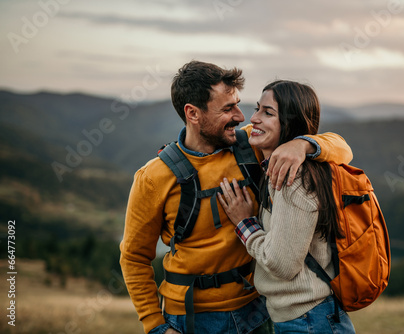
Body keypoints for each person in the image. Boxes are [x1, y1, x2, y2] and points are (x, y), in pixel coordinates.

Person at [120, 61, 353, 334]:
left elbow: (342, 148)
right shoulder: (153, 178)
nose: (241, 117)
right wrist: (155, 327)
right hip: (191, 318)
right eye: (227, 108)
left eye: (239, 104)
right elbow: (134, 257)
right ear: (193, 113)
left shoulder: (249, 145)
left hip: (256, 310)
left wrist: (303, 144)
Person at [217, 80, 356, 333]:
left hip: (309, 321)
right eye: (258, 109)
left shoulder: (293, 179)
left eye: (268, 113)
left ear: (291, 123)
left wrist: (243, 223)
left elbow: (282, 265)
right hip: (303, 318)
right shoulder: (279, 167)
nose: (253, 119)